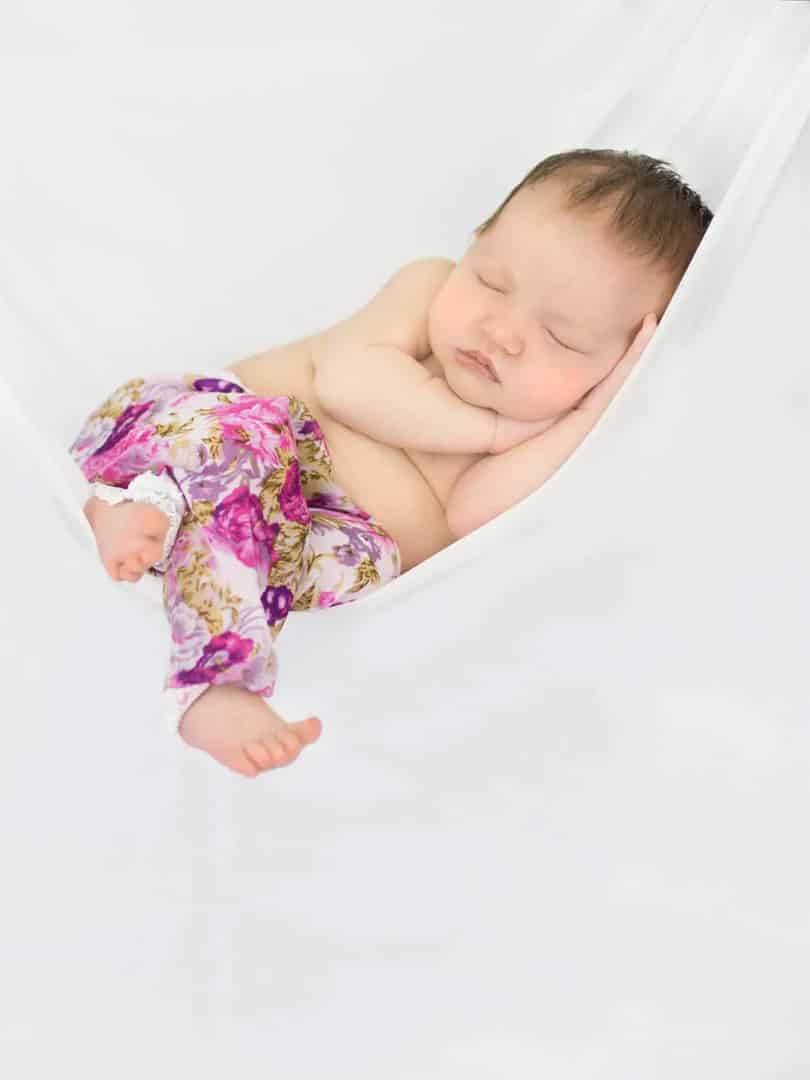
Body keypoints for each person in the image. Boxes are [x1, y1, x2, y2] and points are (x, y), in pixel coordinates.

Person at [69, 148, 713, 779]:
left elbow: (471, 514)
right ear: (473, 244)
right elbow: (349, 383)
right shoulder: (427, 289)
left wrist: (579, 421)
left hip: (273, 541)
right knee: (251, 437)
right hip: (197, 428)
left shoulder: (550, 427)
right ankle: (206, 663)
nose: (503, 330)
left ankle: (155, 528)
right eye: (491, 281)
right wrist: (493, 427)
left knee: (368, 559)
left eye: (562, 337)